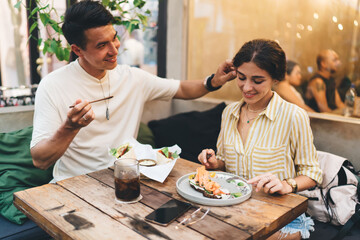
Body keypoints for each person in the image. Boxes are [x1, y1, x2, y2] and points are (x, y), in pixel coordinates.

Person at [30, 0, 235, 182]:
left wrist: (214, 81)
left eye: (114, 38)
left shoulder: (132, 77)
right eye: (102, 45)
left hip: (125, 179)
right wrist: (70, 127)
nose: (114, 49)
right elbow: (40, 160)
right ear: (77, 50)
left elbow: (181, 89)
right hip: (74, 185)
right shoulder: (52, 85)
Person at [198, 39, 322, 240]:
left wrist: (286, 185)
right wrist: (215, 163)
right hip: (233, 208)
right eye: (241, 77)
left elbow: (312, 173)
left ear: (275, 79)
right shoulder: (229, 113)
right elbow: (225, 163)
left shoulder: (293, 116)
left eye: (257, 81)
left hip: (279, 216)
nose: (247, 87)